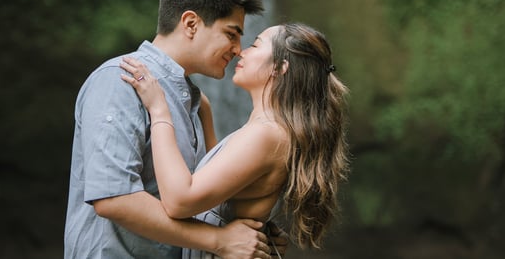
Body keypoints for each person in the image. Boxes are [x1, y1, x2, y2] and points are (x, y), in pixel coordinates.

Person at [64, 0, 287, 259]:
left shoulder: (193, 102)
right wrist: (219, 240)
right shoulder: (121, 80)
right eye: (231, 34)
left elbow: (199, 202)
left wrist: (252, 234)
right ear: (191, 24)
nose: (237, 49)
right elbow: (113, 198)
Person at [120, 22, 350, 257]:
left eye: (254, 45)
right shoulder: (270, 129)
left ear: (280, 68)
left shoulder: (267, 134)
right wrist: (204, 113)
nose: (242, 51)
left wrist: (159, 111)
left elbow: (180, 201)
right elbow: (223, 181)